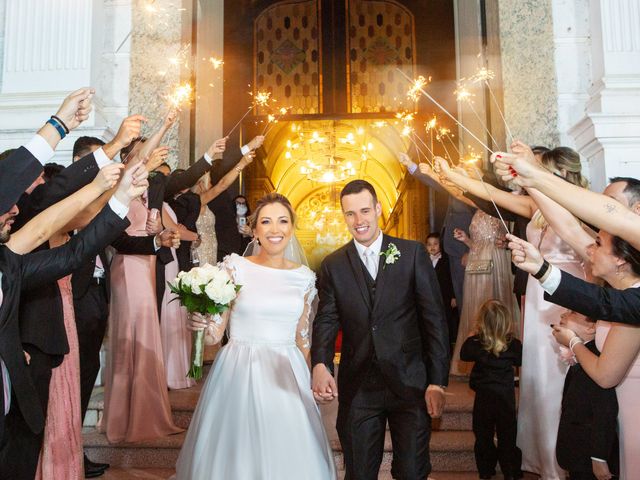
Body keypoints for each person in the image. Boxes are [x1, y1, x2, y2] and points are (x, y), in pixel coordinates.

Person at [0, 162, 149, 480]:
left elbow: (73, 253)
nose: (14, 210)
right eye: (6, 204)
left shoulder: (9, 265)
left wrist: (119, 195)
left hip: (10, 404)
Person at [175, 193, 336, 479]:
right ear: (254, 230)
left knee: (288, 453)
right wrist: (200, 324)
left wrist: (309, 378)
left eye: (283, 221)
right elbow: (215, 336)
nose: (276, 229)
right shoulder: (235, 268)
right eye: (267, 222)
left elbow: (303, 339)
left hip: (286, 375)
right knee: (237, 457)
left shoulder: (305, 277)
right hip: (238, 370)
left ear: (292, 227)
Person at [311, 179, 449, 480]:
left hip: (410, 382)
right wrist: (320, 363)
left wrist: (437, 382)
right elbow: (326, 319)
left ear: (378, 208)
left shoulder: (412, 253)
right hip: (359, 385)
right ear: (344, 216)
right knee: (359, 473)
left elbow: (435, 320)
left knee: (412, 472)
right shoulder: (333, 264)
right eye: (350, 214)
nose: (359, 221)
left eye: (364, 211)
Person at [508, 230, 640, 478]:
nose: (589, 249)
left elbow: (605, 377)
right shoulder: (618, 296)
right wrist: (540, 267)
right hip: (617, 416)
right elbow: (593, 298)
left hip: (631, 413)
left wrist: (574, 342)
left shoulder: (630, 301)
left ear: (620, 260)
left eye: (598, 244)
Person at [398, 152, 474, 307]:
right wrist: (410, 165)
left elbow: (480, 224)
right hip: (452, 249)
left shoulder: (472, 194)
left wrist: (470, 250)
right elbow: (432, 180)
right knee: (459, 296)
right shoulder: (452, 189)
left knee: (468, 297)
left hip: (464, 251)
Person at [460, 299, 522, 480]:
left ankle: (486, 470)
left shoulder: (475, 343)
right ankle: (510, 471)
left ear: (481, 321)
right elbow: (520, 360)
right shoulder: (514, 344)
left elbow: (463, 354)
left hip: (484, 399)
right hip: (505, 399)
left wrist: (473, 334)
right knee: (508, 436)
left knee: (483, 436)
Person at [554, 310, 619, 480]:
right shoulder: (584, 355)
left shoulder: (596, 359)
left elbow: (605, 409)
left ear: (591, 327)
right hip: (577, 454)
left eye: (572, 312)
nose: (563, 315)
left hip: (587, 457)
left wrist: (598, 456)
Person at [425, 232, 458, 354]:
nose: (432, 247)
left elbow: (452, 278)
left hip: (444, 298)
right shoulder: (423, 260)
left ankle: (446, 351)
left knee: (446, 325)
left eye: (435, 244)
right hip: (428, 299)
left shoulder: (446, 260)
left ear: (441, 245)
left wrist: (454, 296)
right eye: (429, 244)